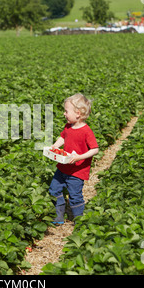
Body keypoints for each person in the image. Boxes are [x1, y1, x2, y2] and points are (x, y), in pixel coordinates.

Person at [49, 93, 99, 225]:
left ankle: (79, 221)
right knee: (54, 189)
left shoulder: (86, 131)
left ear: (77, 113)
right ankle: (58, 216)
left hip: (77, 171)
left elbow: (95, 149)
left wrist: (79, 157)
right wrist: (55, 146)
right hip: (63, 166)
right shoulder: (68, 127)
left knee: (75, 197)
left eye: (66, 111)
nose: (64, 114)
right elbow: (63, 137)